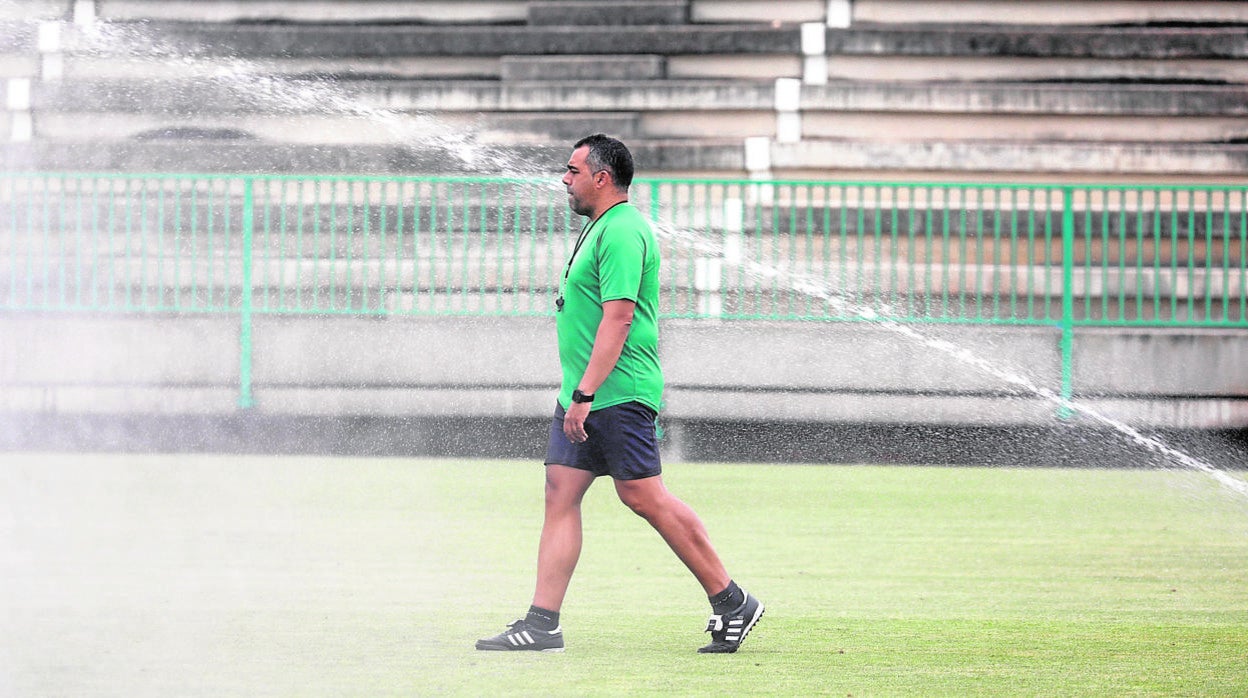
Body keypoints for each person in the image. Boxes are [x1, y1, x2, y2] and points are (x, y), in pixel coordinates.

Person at [475, 134, 763, 654]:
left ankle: (732, 600)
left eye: (573, 170)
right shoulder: (601, 227)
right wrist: (576, 393)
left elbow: (621, 316)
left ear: (601, 177)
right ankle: (542, 624)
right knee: (560, 493)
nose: (565, 179)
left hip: (615, 392)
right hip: (582, 392)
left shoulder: (625, 230)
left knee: (642, 495)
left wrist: (585, 392)